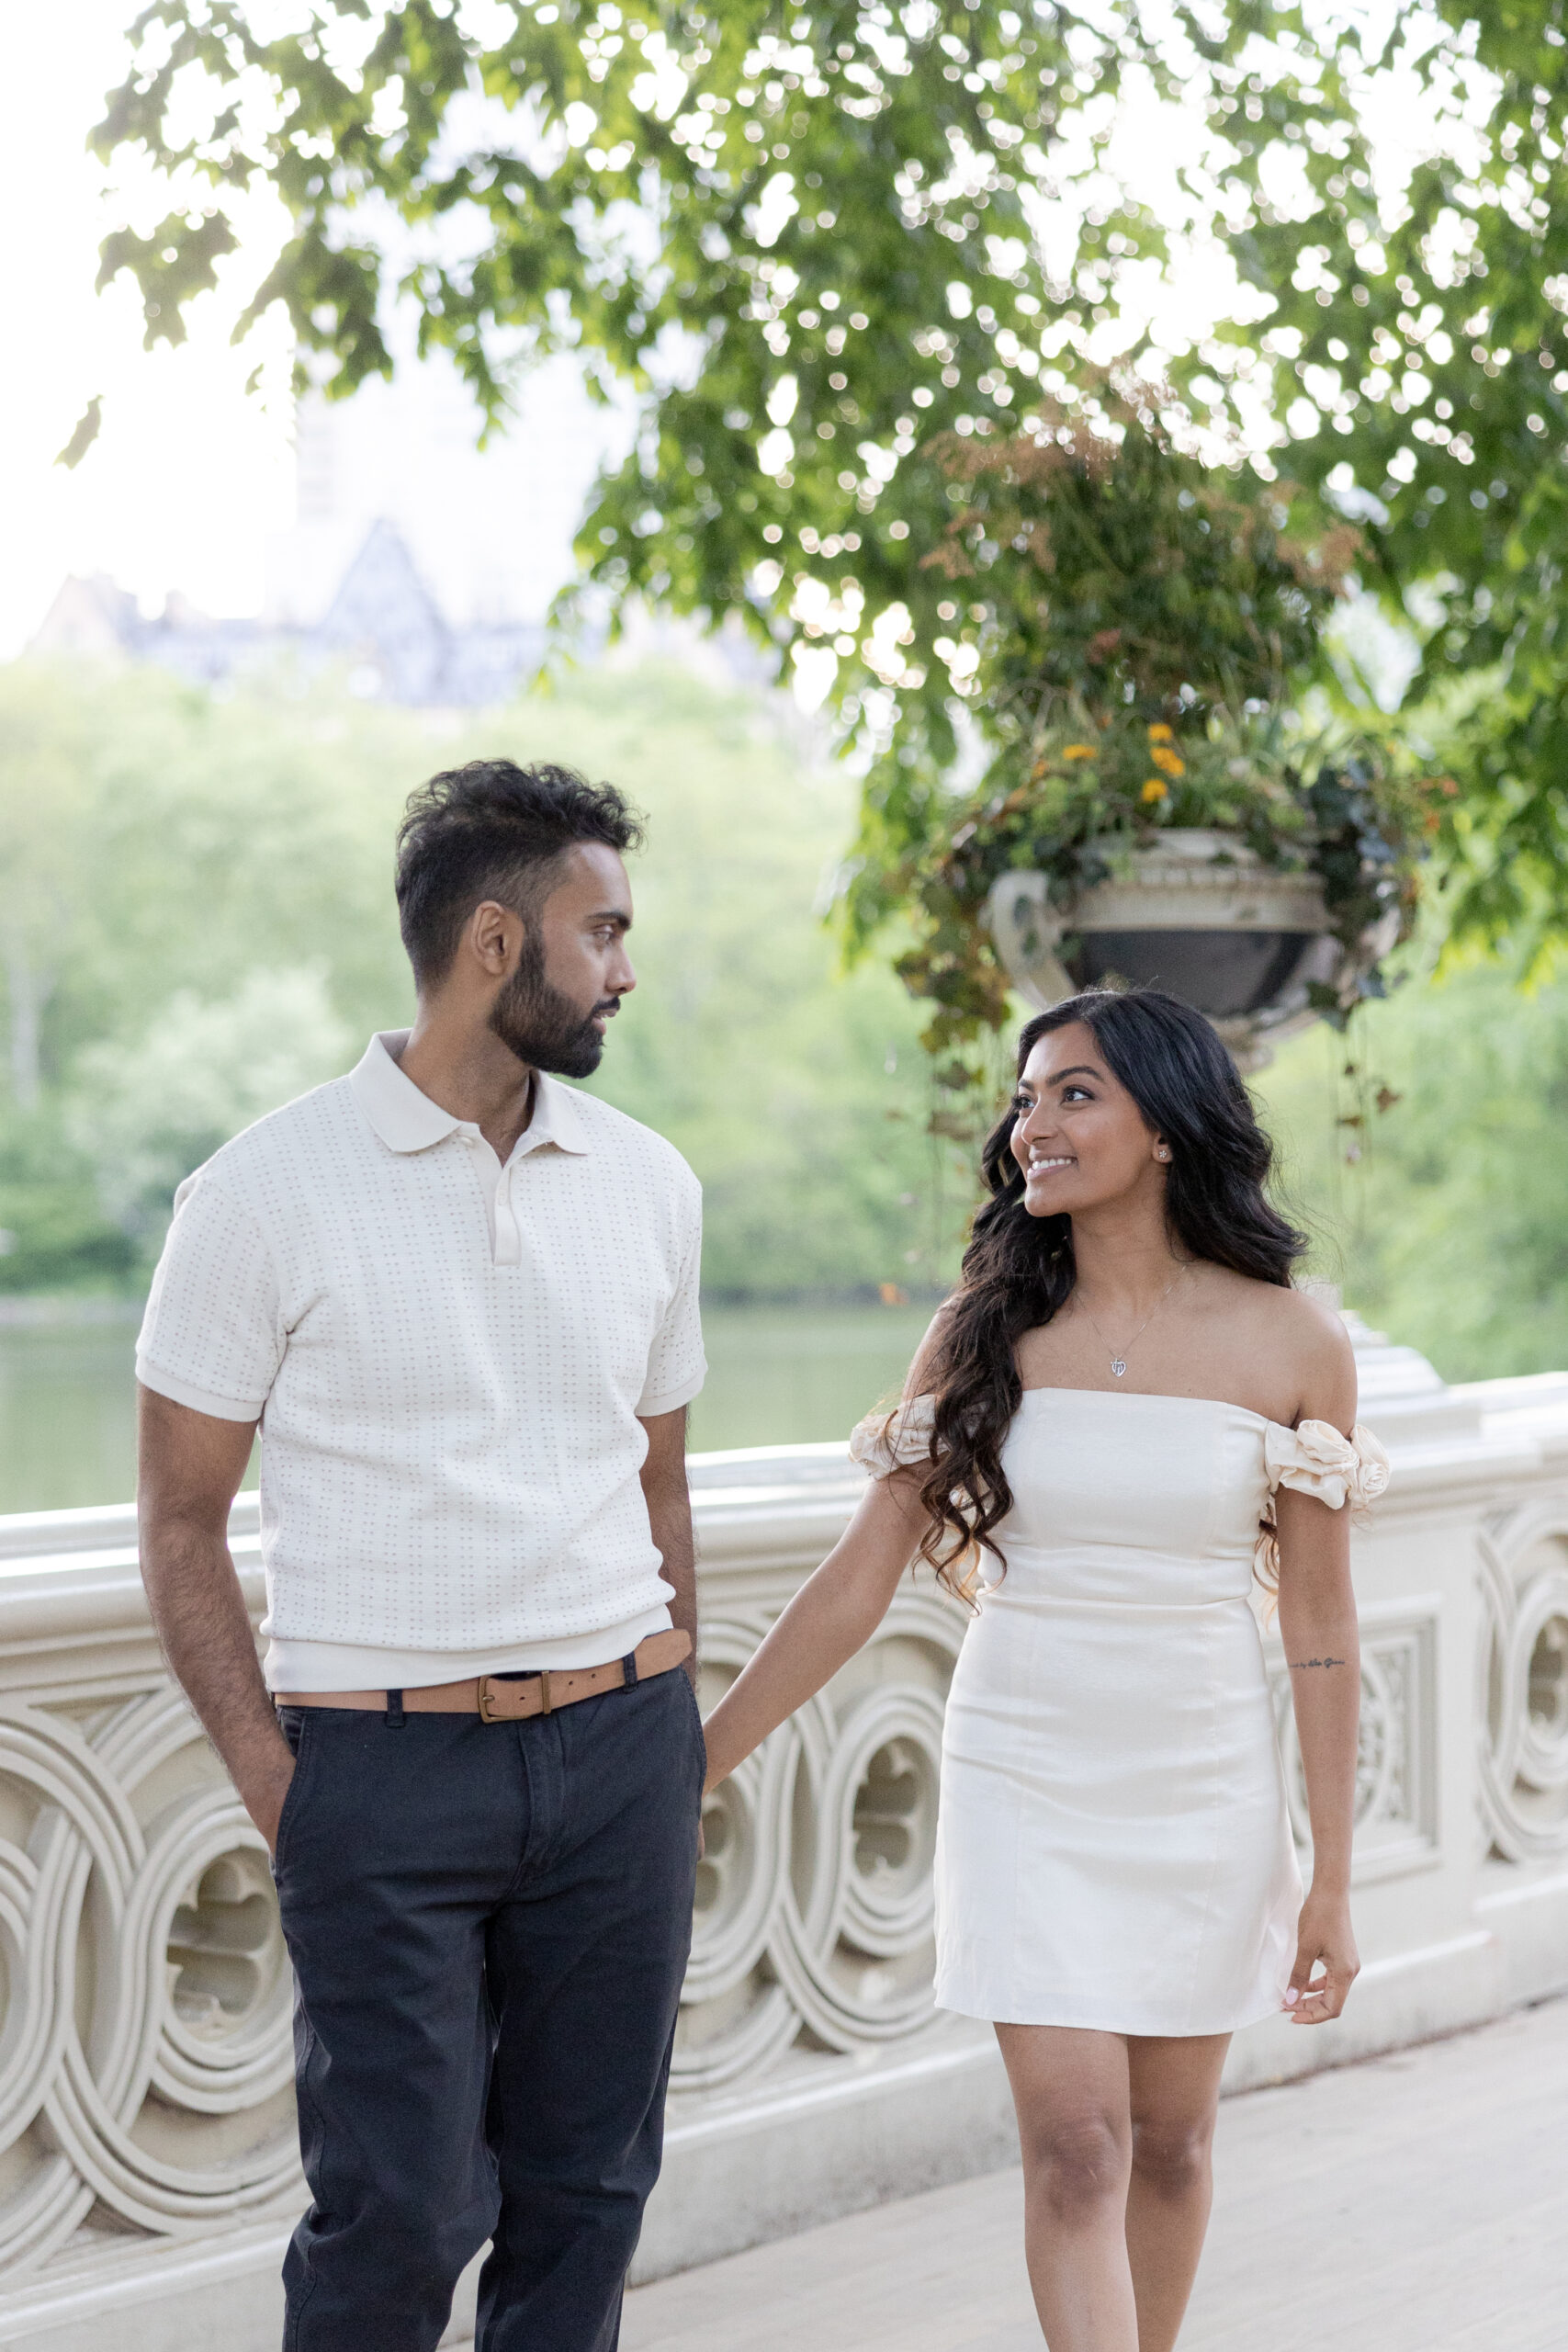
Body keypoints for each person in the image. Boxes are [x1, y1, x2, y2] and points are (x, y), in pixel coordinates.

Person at [700, 987, 1388, 2352]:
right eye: (1026, 1099)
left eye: (1075, 1094)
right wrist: (693, 1760)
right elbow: (860, 1576)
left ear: (1170, 1125)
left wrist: (1334, 1880)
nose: (1034, 1126)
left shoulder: (1291, 1342)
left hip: (1201, 1779)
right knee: (1078, 2149)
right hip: (1023, 1759)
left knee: (1175, 2144)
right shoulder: (981, 1331)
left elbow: (1320, 1626)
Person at [136, 758, 708, 2352]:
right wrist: (280, 1779)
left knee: (589, 2200)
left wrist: (669, 1718)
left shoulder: (651, 1186)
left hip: (619, 1752)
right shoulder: (258, 1193)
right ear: (494, 944)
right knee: (396, 2216)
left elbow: (660, 1489)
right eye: (602, 931)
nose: (625, 968)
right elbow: (180, 1521)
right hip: (380, 1774)